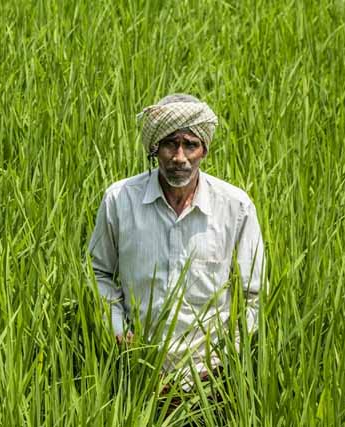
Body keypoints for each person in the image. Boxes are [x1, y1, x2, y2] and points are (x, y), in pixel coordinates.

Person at [88, 93, 266, 392]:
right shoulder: (120, 201)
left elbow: (253, 294)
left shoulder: (235, 207)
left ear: (204, 150)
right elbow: (99, 273)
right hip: (138, 373)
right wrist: (121, 334)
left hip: (213, 379)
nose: (179, 157)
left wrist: (225, 358)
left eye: (190, 145)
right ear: (155, 148)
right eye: (170, 143)